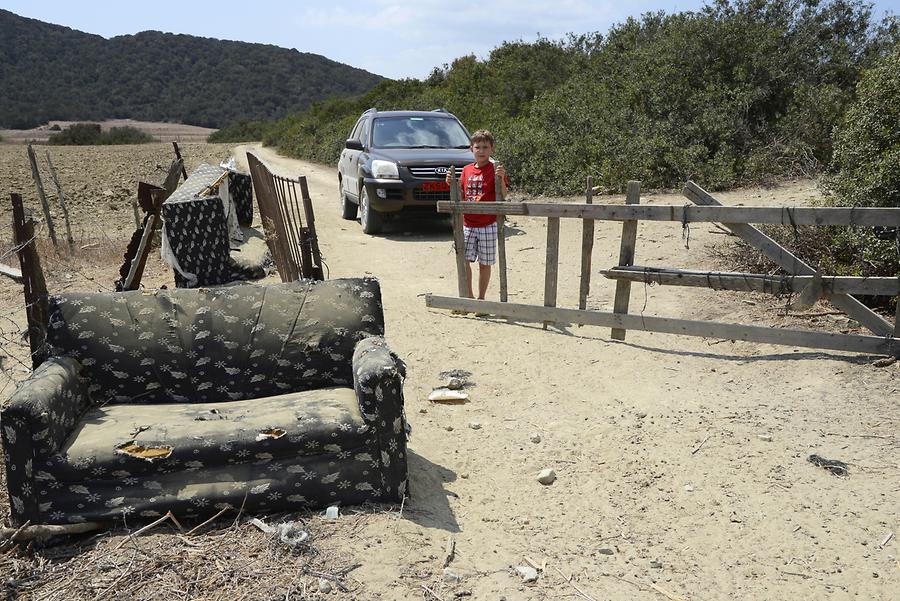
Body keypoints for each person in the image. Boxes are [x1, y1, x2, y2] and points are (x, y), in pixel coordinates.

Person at [447, 129, 509, 301]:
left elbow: (504, 194)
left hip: (488, 223)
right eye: (478, 147)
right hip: (468, 222)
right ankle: (469, 296)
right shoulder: (466, 170)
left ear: (492, 149)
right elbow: (461, 193)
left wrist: (502, 179)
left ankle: (481, 299)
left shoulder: (495, 169)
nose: (481, 151)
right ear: (471, 149)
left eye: (485, 147)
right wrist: (451, 184)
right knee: (464, 260)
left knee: (485, 263)